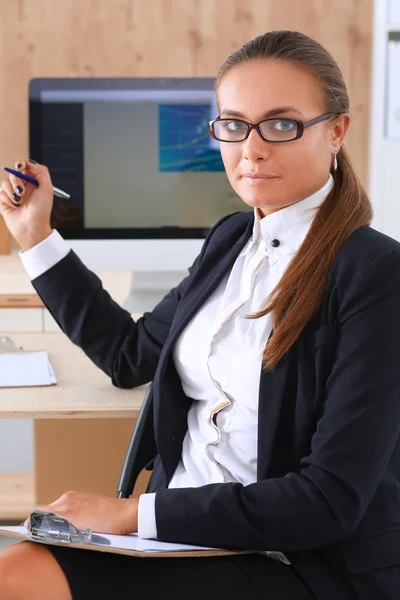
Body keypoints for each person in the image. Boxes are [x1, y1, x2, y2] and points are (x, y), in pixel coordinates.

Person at [0, 28, 399, 600]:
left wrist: (134, 514)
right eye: (234, 125)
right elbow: (127, 355)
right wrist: (35, 236)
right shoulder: (233, 238)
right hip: (171, 538)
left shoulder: (375, 273)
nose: (251, 150)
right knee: (13, 571)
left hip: (286, 559)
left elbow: (328, 500)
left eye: (281, 125)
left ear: (336, 130)